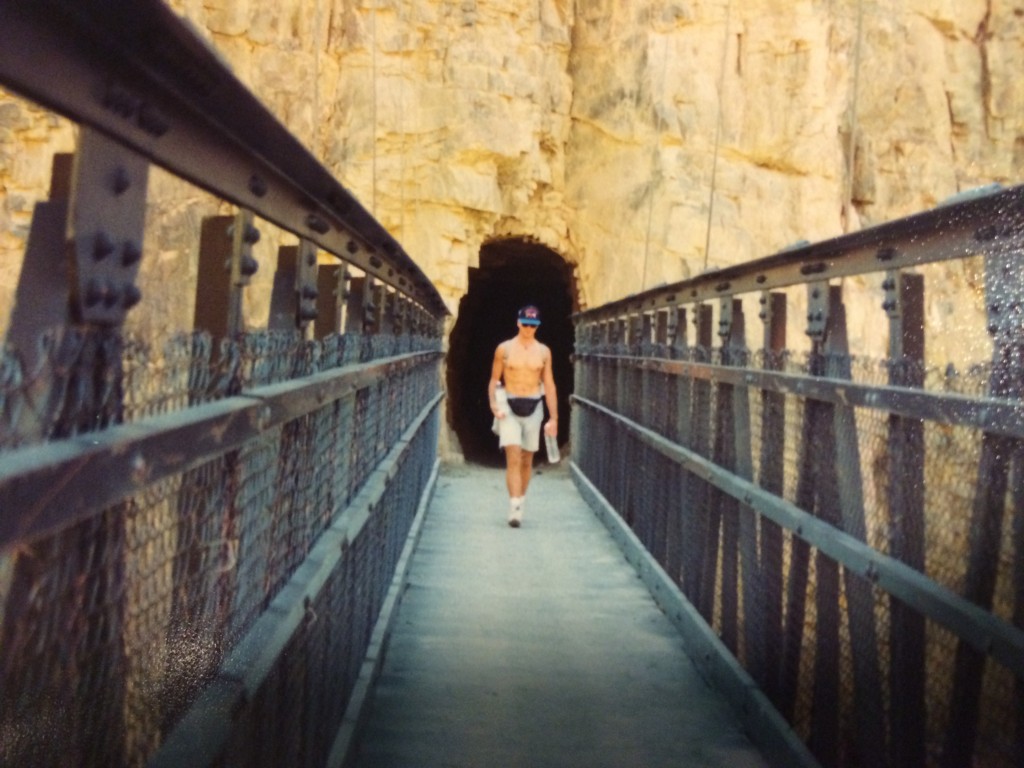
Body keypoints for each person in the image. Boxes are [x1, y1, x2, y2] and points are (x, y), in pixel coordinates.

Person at [488, 305, 558, 527]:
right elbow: (494, 380)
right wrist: (492, 403)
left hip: (534, 405)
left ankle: (521, 499)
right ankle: (514, 506)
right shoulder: (504, 349)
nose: (529, 329)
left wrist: (554, 418)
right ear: (518, 323)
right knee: (514, 455)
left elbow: (549, 384)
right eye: (526, 325)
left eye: (533, 326)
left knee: (527, 460)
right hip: (509, 406)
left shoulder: (544, 352)